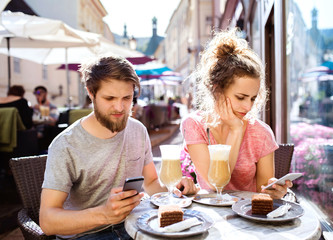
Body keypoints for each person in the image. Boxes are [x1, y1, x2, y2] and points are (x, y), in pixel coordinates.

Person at [39, 55, 199, 239]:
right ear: (91, 93)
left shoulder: (138, 130)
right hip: (86, 235)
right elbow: (47, 221)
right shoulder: (66, 145)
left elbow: (151, 183)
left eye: (127, 98)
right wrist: (103, 214)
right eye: (109, 98)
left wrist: (176, 189)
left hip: (134, 225)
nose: (120, 107)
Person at [180, 28, 293, 200]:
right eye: (241, 97)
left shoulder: (261, 133)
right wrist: (236, 131)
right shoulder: (194, 125)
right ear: (217, 90)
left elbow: (264, 194)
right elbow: (215, 183)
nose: (248, 106)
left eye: (253, 99)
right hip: (209, 216)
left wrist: (274, 192)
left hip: (249, 217)